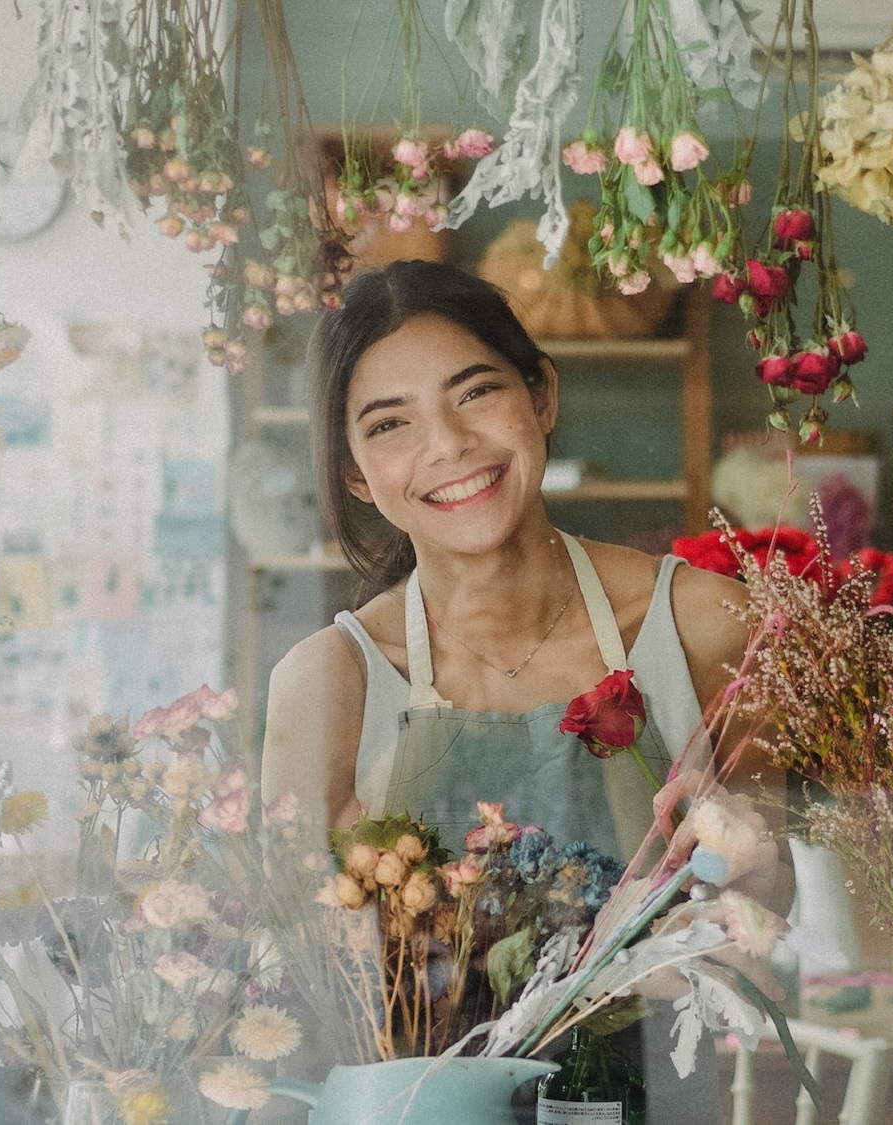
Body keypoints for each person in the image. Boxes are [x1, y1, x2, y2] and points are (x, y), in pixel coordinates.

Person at [261, 260, 782, 1123]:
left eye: (474, 393)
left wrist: (749, 859)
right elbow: (296, 1003)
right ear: (356, 473)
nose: (448, 445)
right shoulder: (330, 679)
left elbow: (771, 899)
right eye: (390, 424)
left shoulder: (701, 622)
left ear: (541, 394)